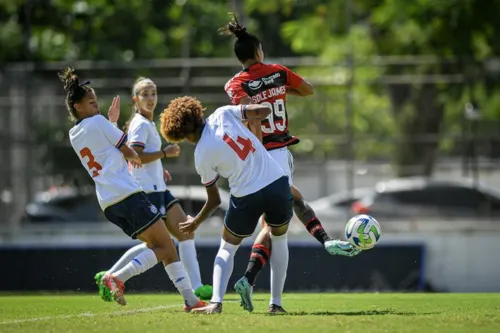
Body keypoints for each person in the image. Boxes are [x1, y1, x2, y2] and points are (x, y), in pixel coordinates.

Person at [220, 14, 361, 308]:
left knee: (266, 225)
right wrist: (281, 90)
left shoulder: (234, 84)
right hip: (278, 152)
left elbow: (247, 110)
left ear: (240, 58)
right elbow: (308, 89)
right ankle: (275, 299)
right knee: (280, 224)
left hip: (251, 157)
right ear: (259, 52)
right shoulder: (278, 72)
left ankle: (247, 279)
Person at [59, 67, 205, 311]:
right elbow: (127, 149)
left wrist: (112, 123)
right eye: (92, 102)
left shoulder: (75, 133)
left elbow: (106, 149)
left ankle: (191, 301)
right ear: (78, 107)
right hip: (128, 194)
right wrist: (127, 142)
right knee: (166, 246)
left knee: (161, 247)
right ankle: (116, 277)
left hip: (109, 202)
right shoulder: (98, 121)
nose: (97, 106)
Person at [159, 96, 292, 314]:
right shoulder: (222, 113)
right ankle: (275, 304)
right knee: (279, 239)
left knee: (227, 248)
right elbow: (263, 111)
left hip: (246, 195)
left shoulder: (201, 154)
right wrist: (251, 113)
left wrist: (196, 222)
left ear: (182, 135)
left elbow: (214, 200)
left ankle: (216, 303)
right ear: (198, 113)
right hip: (277, 182)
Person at [94, 77, 212, 302]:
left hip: (157, 186)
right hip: (147, 191)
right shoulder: (140, 123)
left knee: (185, 231)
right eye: (145, 94)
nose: (150, 98)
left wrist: (159, 167)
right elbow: (135, 155)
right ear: (135, 99)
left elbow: (141, 157)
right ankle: (110, 276)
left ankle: (196, 287)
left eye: (153, 93)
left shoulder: (146, 123)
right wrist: (164, 154)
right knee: (156, 244)